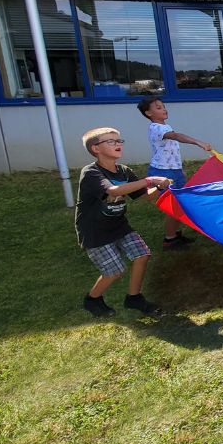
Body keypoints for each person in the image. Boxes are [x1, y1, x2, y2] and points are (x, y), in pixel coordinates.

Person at [75, 127, 170, 317]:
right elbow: (114, 191)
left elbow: (145, 196)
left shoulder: (124, 171)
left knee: (142, 254)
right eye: (111, 141)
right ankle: (92, 299)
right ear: (96, 148)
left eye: (119, 141)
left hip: (119, 226)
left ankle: (134, 298)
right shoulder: (91, 172)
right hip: (94, 230)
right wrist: (150, 180)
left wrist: (161, 188)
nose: (118, 144)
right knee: (115, 271)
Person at [137, 97, 212, 249]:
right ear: (148, 113)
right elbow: (177, 136)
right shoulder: (156, 128)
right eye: (158, 107)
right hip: (163, 173)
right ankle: (169, 240)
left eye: (163, 106)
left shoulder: (165, 127)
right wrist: (198, 142)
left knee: (179, 204)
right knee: (173, 206)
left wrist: (179, 171)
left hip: (173, 171)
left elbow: (171, 153)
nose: (164, 109)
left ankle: (176, 234)